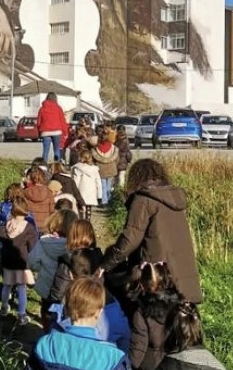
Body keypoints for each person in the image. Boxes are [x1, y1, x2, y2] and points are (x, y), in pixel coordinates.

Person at [100, 158, 202, 304]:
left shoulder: (143, 200)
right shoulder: (175, 199)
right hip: (185, 280)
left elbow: (130, 240)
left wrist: (105, 265)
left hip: (156, 277)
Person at [126, 260, 184, 370]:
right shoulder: (180, 307)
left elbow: (138, 347)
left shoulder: (141, 312)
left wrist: (127, 368)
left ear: (142, 285)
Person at [27, 209, 79, 330]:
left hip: (48, 288)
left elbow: (32, 262)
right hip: (68, 290)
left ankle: (47, 334)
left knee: (47, 312)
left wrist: (41, 268)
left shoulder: (44, 242)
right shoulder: (75, 246)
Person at [0, 196, 40, 325]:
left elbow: (1, 239)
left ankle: (4, 307)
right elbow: (33, 247)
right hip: (22, 262)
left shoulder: (6, 225)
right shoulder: (28, 228)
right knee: (21, 288)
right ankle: (21, 315)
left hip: (7, 260)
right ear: (26, 211)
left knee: (7, 285)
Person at [48, 219, 103, 308]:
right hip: (94, 306)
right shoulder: (99, 257)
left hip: (73, 307)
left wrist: (51, 308)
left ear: (71, 236)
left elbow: (59, 290)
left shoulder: (67, 259)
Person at [0, 182, 29, 255]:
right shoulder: (23, 208)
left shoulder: (1, 207)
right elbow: (31, 225)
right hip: (20, 241)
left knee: (5, 260)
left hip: (3, 240)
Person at [37, 91, 69, 164]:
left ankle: (44, 164)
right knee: (57, 149)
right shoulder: (58, 108)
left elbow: (38, 122)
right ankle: (56, 164)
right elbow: (62, 121)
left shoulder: (42, 109)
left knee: (45, 150)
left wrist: (39, 132)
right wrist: (65, 132)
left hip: (45, 132)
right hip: (57, 131)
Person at [72, 145, 103, 220]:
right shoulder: (94, 170)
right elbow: (98, 183)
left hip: (81, 192)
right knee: (89, 210)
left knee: (81, 210)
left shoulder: (78, 168)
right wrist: (99, 196)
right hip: (91, 193)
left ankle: (81, 223)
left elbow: (76, 181)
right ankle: (88, 222)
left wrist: (73, 192)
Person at [22, 165, 56, 233]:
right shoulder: (48, 192)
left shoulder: (25, 192)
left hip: (29, 225)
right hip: (45, 225)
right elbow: (52, 210)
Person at [91, 125, 119, 206]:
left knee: (102, 186)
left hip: (101, 169)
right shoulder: (113, 148)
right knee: (109, 186)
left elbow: (93, 159)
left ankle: (104, 201)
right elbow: (117, 159)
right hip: (111, 168)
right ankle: (109, 200)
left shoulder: (96, 148)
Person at [114, 125, 133, 189]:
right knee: (121, 177)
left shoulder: (115, 139)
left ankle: (116, 192)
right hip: (123, 160)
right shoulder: (126, 139)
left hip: (115, 160)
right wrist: (129, 159)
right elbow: (127, 151)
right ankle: (120, 192)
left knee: (116, 178)